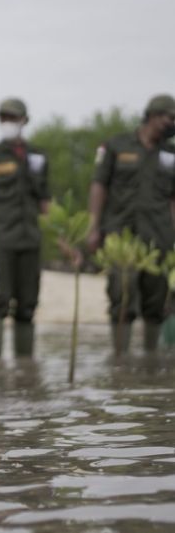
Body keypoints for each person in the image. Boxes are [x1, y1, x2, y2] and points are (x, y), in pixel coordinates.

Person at [87, 94, 175, 353]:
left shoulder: (171, 154)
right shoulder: (116, 146)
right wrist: (93, 227)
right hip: (120, 238)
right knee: (121, 297)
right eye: (169, 118)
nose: (172, 124)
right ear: (152, 116)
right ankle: (120, 360)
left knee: (156, 302)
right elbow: (99, 185)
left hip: (158, 236)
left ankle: (150, 362)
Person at [0, 98, 50, 358]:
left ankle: (26, 373)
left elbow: (45, 201)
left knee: (27, 306)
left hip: (31, 239)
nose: (7, 123)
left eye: (12, 118)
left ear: (24, 120)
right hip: (0, 240)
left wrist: (62, 237)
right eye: (3, 118)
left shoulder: (39, 156)